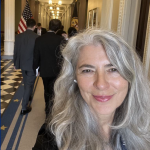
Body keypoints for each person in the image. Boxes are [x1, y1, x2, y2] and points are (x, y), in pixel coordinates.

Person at [33, 29, 150, 150]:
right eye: (87, 70)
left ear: (130, 76)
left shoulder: (144, 127)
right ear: (74, 78)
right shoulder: (52, 141)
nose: (101, 84)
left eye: (113, 69)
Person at [33, 19, 63, 116]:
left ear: (49, 26)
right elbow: (63, 57)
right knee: (55, 90)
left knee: (46, 90)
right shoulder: (61, 40)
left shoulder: (39, 39)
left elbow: (36, 56)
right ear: (58, 28)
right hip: (57, 71)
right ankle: (53, 107)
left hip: (44, 70)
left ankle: (47, 108)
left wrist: (35, 69)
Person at [13, 19, 38, 115]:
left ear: (26, 25)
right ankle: (24, 108)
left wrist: (15, 63)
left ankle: (29, 96)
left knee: (27, 82)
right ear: (34, 26)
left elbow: (16, 51)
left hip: (22, 64)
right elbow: (37, 53)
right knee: (28, 85)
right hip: (32, 65)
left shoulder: (19, 36)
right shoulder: (37, 37)